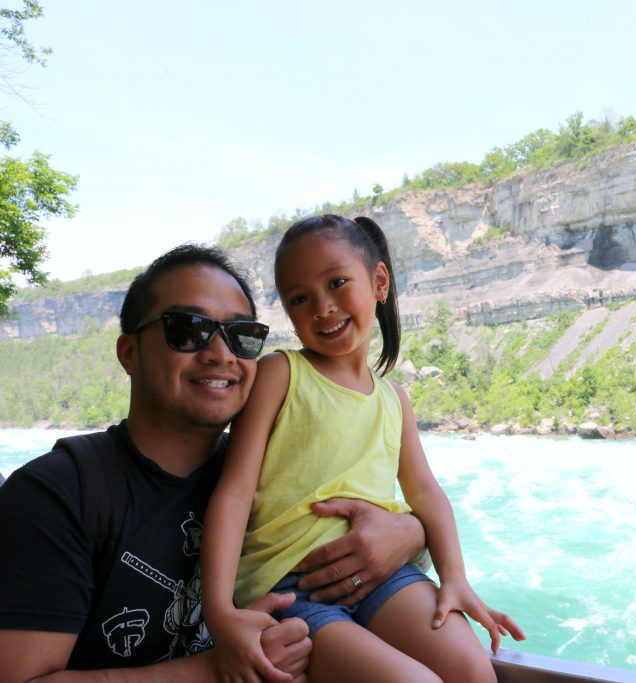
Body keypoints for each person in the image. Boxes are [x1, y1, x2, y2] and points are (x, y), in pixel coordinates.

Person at [0, 244, 428, 682]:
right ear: (129, 352)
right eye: (188, 330)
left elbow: (352, 530)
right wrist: (215, 671)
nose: (221, 353)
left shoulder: (274, 471)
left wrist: (412, 534)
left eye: (241, 334)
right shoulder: (56, 494)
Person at [202, 215, 525, 683]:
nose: (322, 307)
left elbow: (426, 493)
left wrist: (456, 578)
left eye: (336, 283)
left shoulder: (394, 399)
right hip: (293, 589)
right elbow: (234, 494)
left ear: (378, 282)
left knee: (473, 671)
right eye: (299, 298)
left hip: (384, 576)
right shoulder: (281, 374)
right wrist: (219, 611)